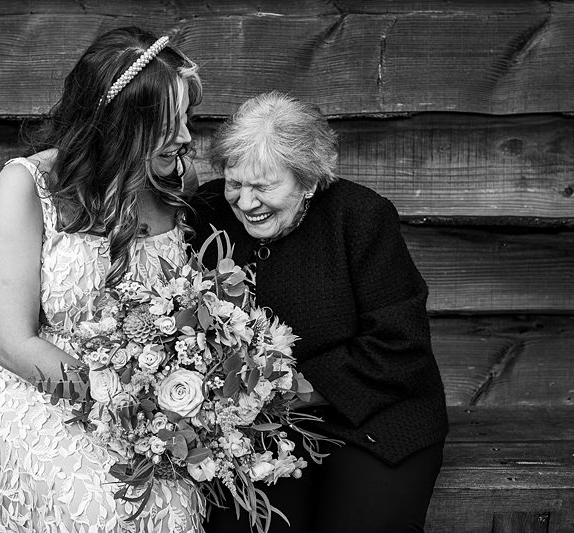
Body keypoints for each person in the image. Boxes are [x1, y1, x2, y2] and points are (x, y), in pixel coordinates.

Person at [0, 27, 206, 533]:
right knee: (97, 510)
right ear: (117, 123)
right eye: (168, 123)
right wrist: (113, 398)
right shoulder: (27, 185)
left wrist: (162, 399)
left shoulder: (176, 182)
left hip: (146, 390)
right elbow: (14, 342)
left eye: (187, 118)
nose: (186, 138)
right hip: (33, 382)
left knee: (171, 510)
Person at [190, 91, 449, 533]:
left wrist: (283, 391)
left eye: (264, 186)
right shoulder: (208, 213)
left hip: (372, 418)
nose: (245, 202)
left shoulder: (361, 217)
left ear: (308, 180)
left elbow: (398, 343)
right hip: (257, 432)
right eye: (235, 183)